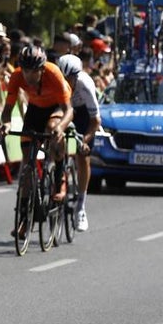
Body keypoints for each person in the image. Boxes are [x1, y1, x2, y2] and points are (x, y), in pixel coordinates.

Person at [0, 43, 74, 238]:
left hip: (56, 108)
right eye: (25, 71)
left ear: (41, 69)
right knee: (27, 166)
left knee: (52, 128)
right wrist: (6, 124)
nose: (28, 77)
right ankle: (24, 219)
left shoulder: (54, 73)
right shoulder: (16, 76)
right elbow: (7, 109)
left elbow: (68, 110)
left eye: (33, 72)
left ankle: (60, 176)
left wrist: (60, 127)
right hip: (35, 110)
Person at [57, 53, 100, 232]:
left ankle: (81, 206)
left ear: (76, 76)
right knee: (55, 142)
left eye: (70, 79)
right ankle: (55, 179)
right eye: (63, 78)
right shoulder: (55, 82)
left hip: (82, 114)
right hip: (61, 107)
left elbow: (95, 121)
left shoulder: (85, 85)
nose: (67, 83)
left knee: (83, 157)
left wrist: (85, 140)